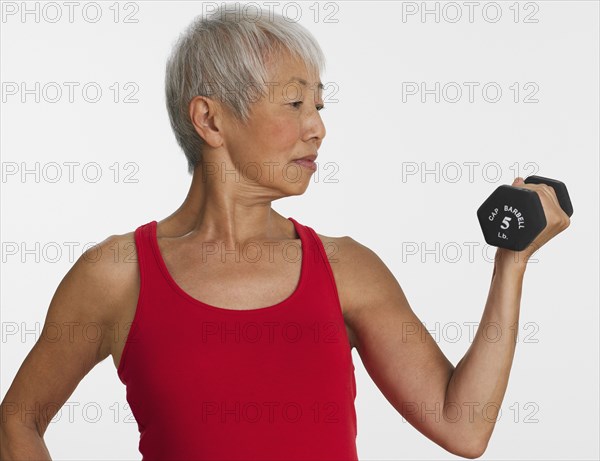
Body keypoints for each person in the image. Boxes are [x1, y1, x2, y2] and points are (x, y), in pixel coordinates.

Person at [0, 5, 570, 460]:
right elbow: (17, 422)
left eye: (319, 105)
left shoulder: (347, 269)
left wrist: (510, 264)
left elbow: (461, 428)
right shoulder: (116, 275)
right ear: (211, 119)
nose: (317, 128)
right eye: (295, 102)